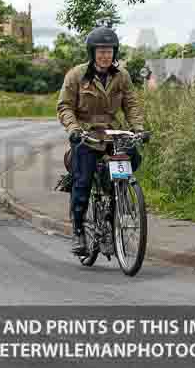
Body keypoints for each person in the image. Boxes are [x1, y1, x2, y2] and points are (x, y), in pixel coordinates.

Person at [56, 26, 146, 256]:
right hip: (86, 136)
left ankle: (113, 212)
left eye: (109, 51)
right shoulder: (76, 75)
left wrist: (138, 129)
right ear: (92, 52)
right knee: (83, 183)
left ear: (114, 53)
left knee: (132, 158)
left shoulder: (122, 76)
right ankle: (78, 230)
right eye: (100, 51)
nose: (105, 55)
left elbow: (131, 104)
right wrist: (74, 129)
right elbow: (64, 106)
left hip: (113, 135)